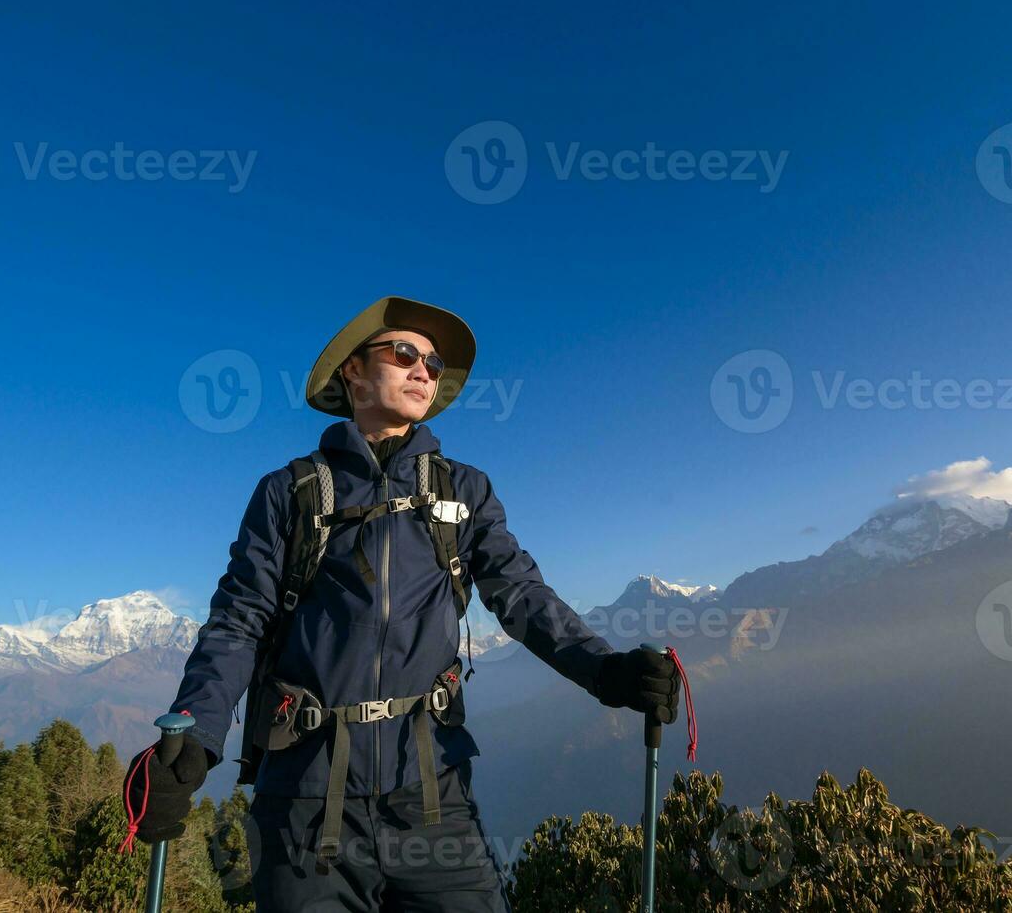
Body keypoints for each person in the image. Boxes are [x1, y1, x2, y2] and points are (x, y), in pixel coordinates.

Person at [124, 296, 679, 912]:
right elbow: (239, 619)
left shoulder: (464, 490)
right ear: (353, 372)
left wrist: (604, 669)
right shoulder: (289, 492)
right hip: (305, 800)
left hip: (432, 795)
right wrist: (198, 736)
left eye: (434, 364)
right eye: (405, 353)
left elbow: (520, 594)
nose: (425, 371)